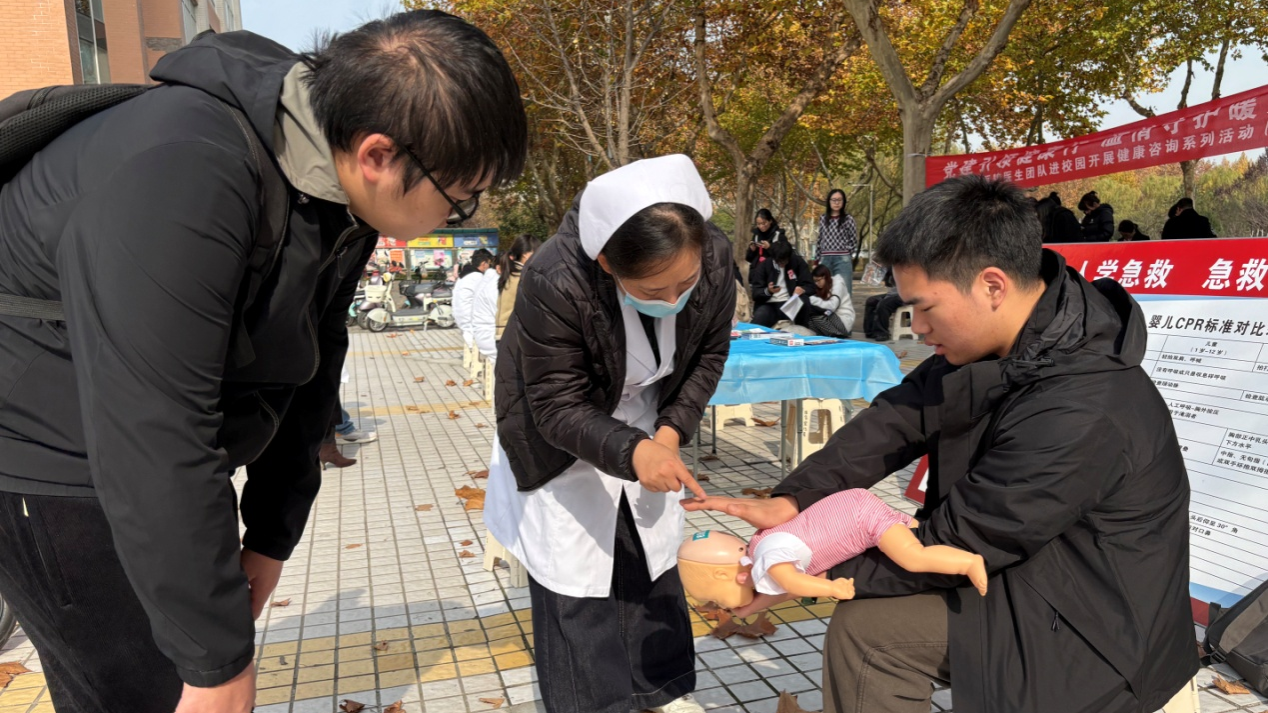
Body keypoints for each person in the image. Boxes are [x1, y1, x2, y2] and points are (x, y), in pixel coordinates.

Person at [0, 11, 527, 711]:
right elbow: (153, 427)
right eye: (460, 200)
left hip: (147, 453)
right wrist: (216, 660)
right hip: (54, 457)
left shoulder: (331, 181)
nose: (462, 213)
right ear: (378, 154)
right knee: (144, 690)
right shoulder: (183, 169)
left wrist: (273, 532)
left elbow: (310, 361)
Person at [685, 175, 1196, 713]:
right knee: (868, 620)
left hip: (1094, 622)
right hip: (1026, 571)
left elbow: (966, 535)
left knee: (870, 635)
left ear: (993, 286)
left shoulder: (1084, 406)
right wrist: (795, 498)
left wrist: (800, 573)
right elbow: (896, 420)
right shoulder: (1005, 342)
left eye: (925, 307)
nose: (918, 326)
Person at [486, 154, 735, 713]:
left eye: (685, 283)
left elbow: (708, 356)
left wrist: (669, 433)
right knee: (577, 576)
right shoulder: (555, 276)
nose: (672, 300)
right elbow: (555, 403)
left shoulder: (716, 255)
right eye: (653, 288)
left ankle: (658, 690)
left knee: (650, 557)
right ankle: (593, 703)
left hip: (648, 419)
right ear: (605, 262)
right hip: (557, 433)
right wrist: (633, 450)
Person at [750, 239, 815, 328]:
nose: (782, 264)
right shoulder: (764, 266)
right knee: (759, 319)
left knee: (804, 301)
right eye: (779, 262)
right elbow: (756, 293)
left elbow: (810, 286)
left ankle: (802, 330)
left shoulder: (797, 262)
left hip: (790, 304)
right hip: (770, 305)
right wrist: (768, 291)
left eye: (785, 261)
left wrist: (802, 290)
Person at [496, 233, 543, 340]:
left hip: (503, 333)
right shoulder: (524, 277)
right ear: (526, 254)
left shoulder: (510, 274)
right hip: (514, 336)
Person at [453, 248, 495, 355]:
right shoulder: (478, 277)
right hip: (471, 325)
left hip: (462, 320)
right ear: (484, 264)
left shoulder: (465, 275)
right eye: (489, 264)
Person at [816, 188, 858, 290]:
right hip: (825, 259)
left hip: (842, 259)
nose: (836, 203)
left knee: (844, 290)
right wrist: (816, 260)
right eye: (834, 200)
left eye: (839, 200)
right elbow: (820, 239)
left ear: (843, 202)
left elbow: (853, 240)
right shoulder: (823, 218)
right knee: (825, 290)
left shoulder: (848, 219)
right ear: (829, 202)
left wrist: (846, 252)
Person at [806, 264, 854, 338]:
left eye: (818, 280)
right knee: (809, 318)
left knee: (817, 316)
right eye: (814, 281)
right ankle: (827, 336)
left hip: (843, 320)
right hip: (830, 319)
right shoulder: (820, 287)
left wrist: (811, 299)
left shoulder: (838, 284)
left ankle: (837, 335)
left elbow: (832, 306)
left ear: (825, 277)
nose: (816, 283)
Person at [862, 268, 903, 341]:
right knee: (871, 301)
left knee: (884, 304)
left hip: (907, 295)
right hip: (893, 294)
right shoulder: (892, 267)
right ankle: (870, 331)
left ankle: (882, 333)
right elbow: (887, 283)